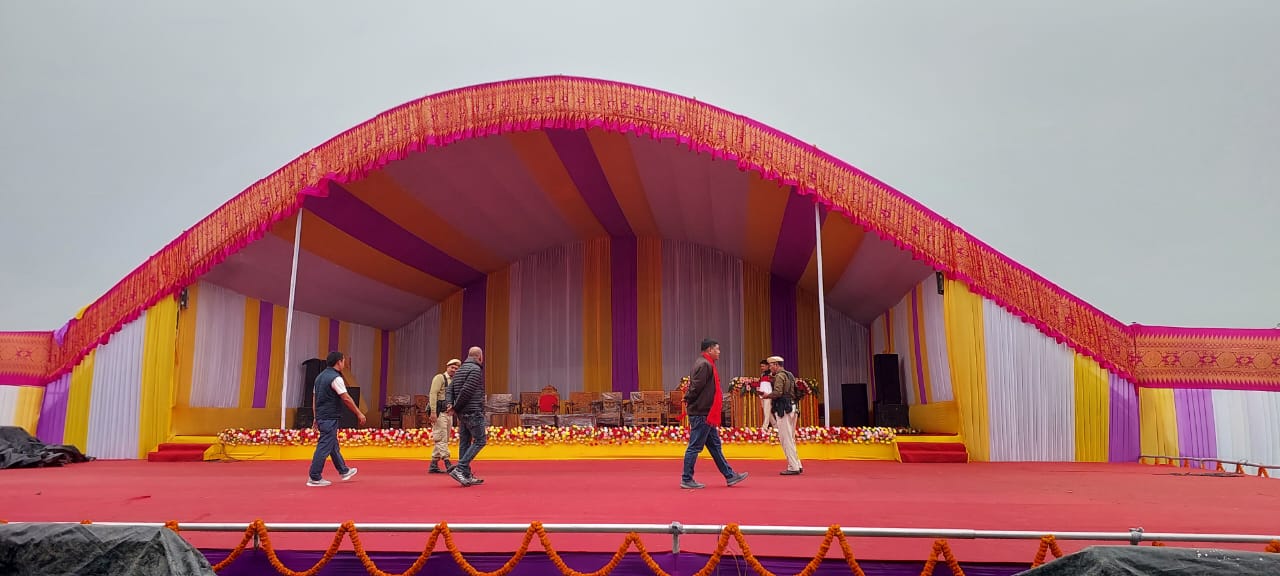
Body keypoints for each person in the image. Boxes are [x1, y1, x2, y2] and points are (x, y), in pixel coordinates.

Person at [680, 338, 749, 489]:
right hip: (702, 412)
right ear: (709, 350)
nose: (719, 352)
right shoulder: (704, 365)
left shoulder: (704, 363)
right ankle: (686, 478)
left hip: (705, 412)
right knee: (695, 447)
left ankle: (730, 476)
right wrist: (687, 399)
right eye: (717, 349)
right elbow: (696, 387)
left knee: (715, 446)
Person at [307, 351, 366, 486]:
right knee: (324, 446)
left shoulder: (319, 377)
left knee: (332, 444)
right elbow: (345, 397)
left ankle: (343, 470)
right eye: (343, 361)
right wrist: (358, 413)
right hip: (329, 417)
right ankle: (314, 477)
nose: (344, 364)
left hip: (322, 416)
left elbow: (315, 399)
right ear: (339, 362)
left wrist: (315, 418)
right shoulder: (335, 378)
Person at [446, 346, 487, 487]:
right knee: (480, 440)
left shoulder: (460, 370)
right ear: (480, 357)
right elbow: (467, 391)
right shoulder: (475, 370)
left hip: (462, 413)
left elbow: (450, 389)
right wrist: (455, 407)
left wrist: (450, 405)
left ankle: (466, 475)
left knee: (465, 442)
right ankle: (461, 468)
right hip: (472, 411)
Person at [766, 355, 803, 475]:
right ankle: (797, 463)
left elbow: (778, 392)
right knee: (790, 438)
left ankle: (793, 466)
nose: (770, 367)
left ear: (776, 365)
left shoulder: (779, 376)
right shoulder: (789, 374)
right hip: (792, 407)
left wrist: (767, 395)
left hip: (783, 409)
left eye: (771, 365)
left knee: (785, 438)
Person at [427, 358, 461, 474]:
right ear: (447, 367)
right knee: (441, 437)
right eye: (452, 367)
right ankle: (447, 462)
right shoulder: (439, 378)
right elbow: (433, 394)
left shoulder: (454, 381)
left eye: (457, 369)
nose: (454, 370)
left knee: (444, 439)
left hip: (448, 413)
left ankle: (433, 464)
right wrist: (433, 412)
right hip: (439, 412)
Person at [757, 359, 775, 431]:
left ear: (767, 366)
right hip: (762, 395)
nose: (762, 368)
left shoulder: (771, 374)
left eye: (763, 366)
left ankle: (764, 427)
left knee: (766, 411)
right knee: (767, 411)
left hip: (768, 394)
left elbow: (772, 384)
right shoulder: (762, 374)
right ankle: (775, 425)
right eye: (761, 366)